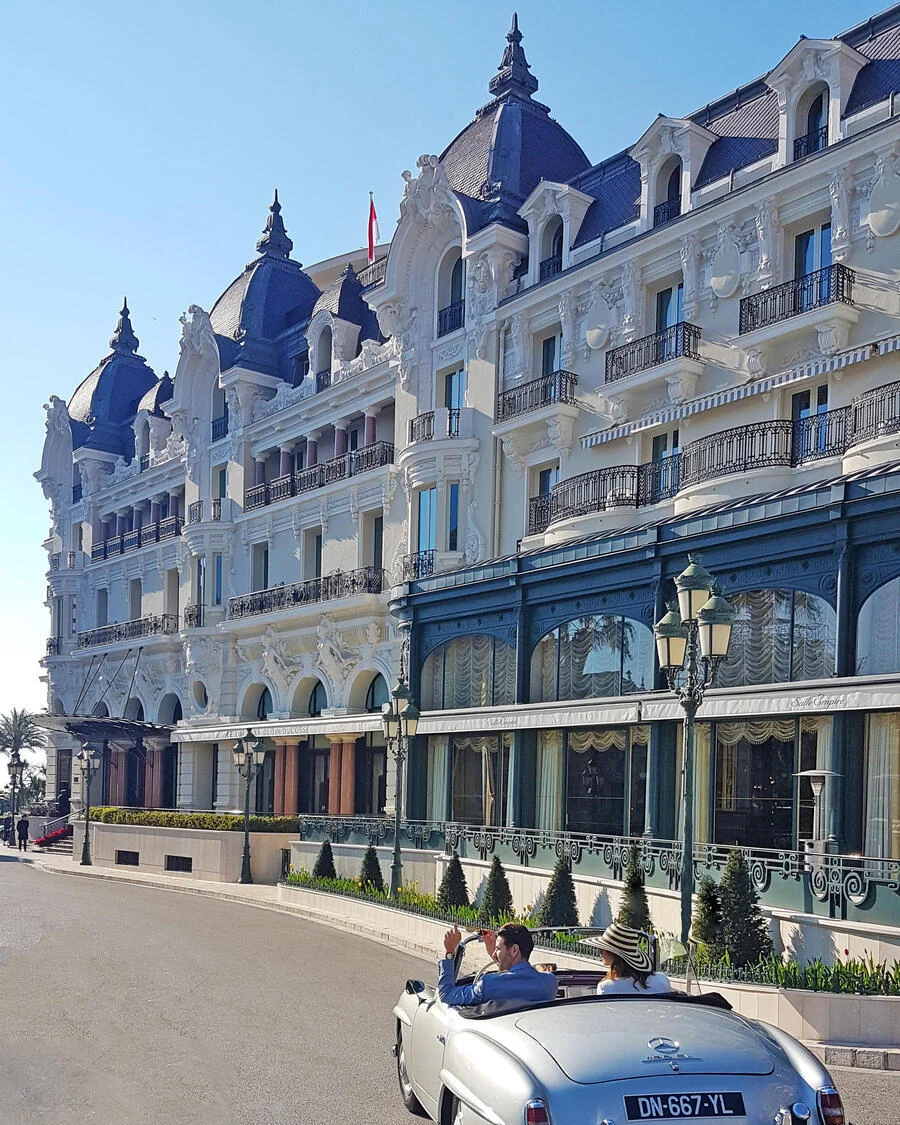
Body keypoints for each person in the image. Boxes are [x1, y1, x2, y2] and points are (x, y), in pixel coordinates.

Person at [438, 923, 558, 1007]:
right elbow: (514, 979)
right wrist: (497, 956)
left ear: (514, 950)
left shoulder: (488, 984)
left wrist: (450, 953)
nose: (494, 953)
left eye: (498, 949)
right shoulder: (549, 982)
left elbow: (446, 994)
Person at [588, 922, 672, 995]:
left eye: (603, 949)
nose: (600, 952)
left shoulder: (606, 988)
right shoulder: (662, 981)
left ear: (614, 954)